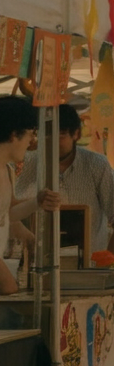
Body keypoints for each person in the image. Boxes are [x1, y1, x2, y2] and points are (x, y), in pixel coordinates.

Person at [16, 103, 114, 263]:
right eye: (46, 134)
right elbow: (7, 213)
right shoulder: (25, 163)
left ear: (76, 134)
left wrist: (107, 262)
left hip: (88, 270)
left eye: (61, 134)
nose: (52, 141)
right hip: (36, 270)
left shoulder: (96, 164)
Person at [1, 96, 60, 295]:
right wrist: (7, 282)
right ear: (13, 135)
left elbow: (6, 214)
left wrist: (37, 202)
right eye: (30, 134)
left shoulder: (7, 171)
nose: (31, 142)